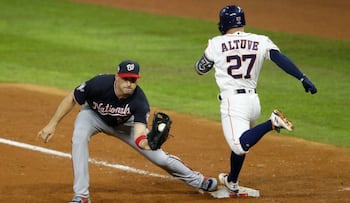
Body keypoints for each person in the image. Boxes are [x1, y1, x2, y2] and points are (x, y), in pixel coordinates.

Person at [37, 60, 217, 203]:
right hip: (93, 116)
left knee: (159, 157)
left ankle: (198, 180)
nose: (129, 83)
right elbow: (72, 98)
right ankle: (82, 196)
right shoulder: (98, 84)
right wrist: (52, 124)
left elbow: (139, 133)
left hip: (126, 125)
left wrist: (145, 143)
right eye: (125, 79)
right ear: (117, 77)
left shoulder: (139, 101)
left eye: (133, 80)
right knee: (78, 138)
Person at [194, 5, 317, 194]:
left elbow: (200, 69)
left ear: (224, 23)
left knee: (239, 145)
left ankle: (272, 122)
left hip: (233, 103)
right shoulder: (260, 40)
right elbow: (280, 58)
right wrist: (302, 77)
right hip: (253, 102)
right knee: (243, 141)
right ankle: (232, 180)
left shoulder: (216, 43)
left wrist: (209, 52)